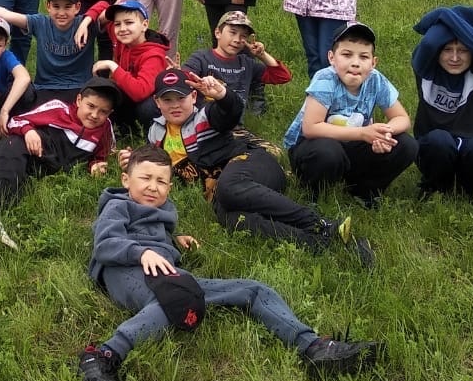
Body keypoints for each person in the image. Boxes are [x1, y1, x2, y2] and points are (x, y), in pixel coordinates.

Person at [78, 145, 382, 381]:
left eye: (161, 181)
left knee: (253, 289)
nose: (153, 187)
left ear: (169, 187)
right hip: (125, 270)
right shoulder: (118, 205)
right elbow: (106, 244)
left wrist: (173, 241)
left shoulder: (164, 210)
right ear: (126, 180)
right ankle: (102, 356)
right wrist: (141, 252)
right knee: (175, 301)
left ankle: (313, 346)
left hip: (166, 275)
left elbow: (152, 235)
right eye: (145, 178)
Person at [120, 69, 371, 264]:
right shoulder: (156, 133)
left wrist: (223, 96)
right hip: (224, 192)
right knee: (232, 219)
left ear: (194, 97)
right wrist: (133, 161)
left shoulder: (205, 116)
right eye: (167, 99)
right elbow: (156, 164)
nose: (175, 105)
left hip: (254, 164)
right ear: (157, 102)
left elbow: (229, 113)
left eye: (181, 98)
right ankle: (321, 243)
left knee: (228, 186)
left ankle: (320, 223)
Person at [0, 76, 119, 245]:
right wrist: (28, 131)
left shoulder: (105, 130)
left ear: (110, 113)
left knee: (16, 180)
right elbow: (16, 121)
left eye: (103, 112)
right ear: (79, 100)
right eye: (91, 106)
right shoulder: (58, 108)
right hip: (32, 150)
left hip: (49, 168)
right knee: (10, 151)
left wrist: (96, 165)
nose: (95, 115)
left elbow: (102, 155)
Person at [282, 22, 417, 208]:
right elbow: (311, 127)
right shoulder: (325, 79)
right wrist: (363, 133)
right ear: (331, 58)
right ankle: (314, 193)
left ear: (373, 62)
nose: (355, 62)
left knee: (407, 145)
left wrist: (383, 133)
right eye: (347, 55)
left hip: (353, 145)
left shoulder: (375, 79)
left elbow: (402, 118)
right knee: (327, 152)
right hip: (312, 148)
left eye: (364, 56)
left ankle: (364, 190)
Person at [410, 5, 473, 207]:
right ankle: (434, 187)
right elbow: (429, 43)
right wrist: (460, 16)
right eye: (447, 50)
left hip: (472, 142)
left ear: (471, 54)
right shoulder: (425, 69)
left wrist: (442, 15)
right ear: (437, 53)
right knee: (439, 140)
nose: (454, 58)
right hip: (435, 146)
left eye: (462, 50)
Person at [182, 10, 292, 116]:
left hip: (235, 125)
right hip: (204, 123)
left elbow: (283, 76)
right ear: (218, 33)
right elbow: (183, 80)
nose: (237, 39)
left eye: (243, 36)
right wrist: (177, 72)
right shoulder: (201, 58)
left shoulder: (247, 64)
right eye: (233, 32)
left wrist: (262, 55)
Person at [90, 0, 169, 137]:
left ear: (144, 25)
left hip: (152, 103)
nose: (122, 29)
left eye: (129, 22)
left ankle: (153, 135)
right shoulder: (124, 37)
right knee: (104, 90)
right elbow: (102, 10)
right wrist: (86, 21)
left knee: (146, 108)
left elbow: (140, 92)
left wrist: (112, 65)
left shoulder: (154, 55)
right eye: (117, 24)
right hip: (130, 97)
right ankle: (123, 130)